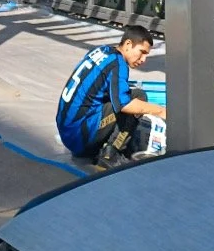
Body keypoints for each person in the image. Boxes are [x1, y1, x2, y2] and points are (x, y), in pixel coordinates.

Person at [56, 25, 166, 171]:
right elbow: (124, 105)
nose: (143, 59)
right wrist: (160, 110)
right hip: (80, 137)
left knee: (123, 97)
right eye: (142, 52)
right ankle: (111, 154)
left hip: (67, 131)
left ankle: (103, 146)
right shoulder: (118, 63)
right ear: (128, 44)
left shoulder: (101, 51)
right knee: (138, 96)